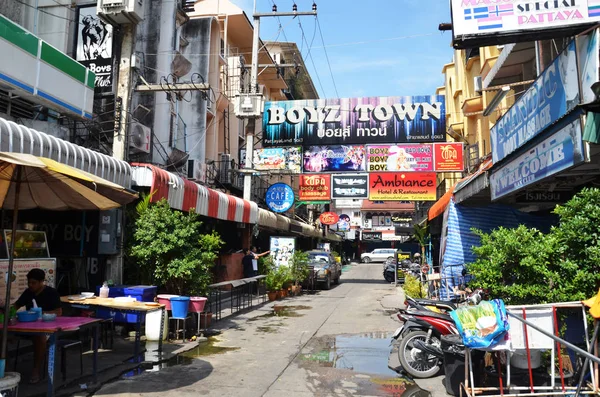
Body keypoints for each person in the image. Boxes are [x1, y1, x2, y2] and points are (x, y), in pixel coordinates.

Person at [13, 269, 62, 383]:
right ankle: (7, 369)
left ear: (41, 282)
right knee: (4, 336)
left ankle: (36, 369)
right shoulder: (28, 293)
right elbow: (15, 306)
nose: (30, 285)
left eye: (33, 283)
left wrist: (41, 313)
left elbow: (58, 312)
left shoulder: (51, 293)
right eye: (29, 282)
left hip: (47, 328)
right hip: (27, 327)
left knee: (40, 338)